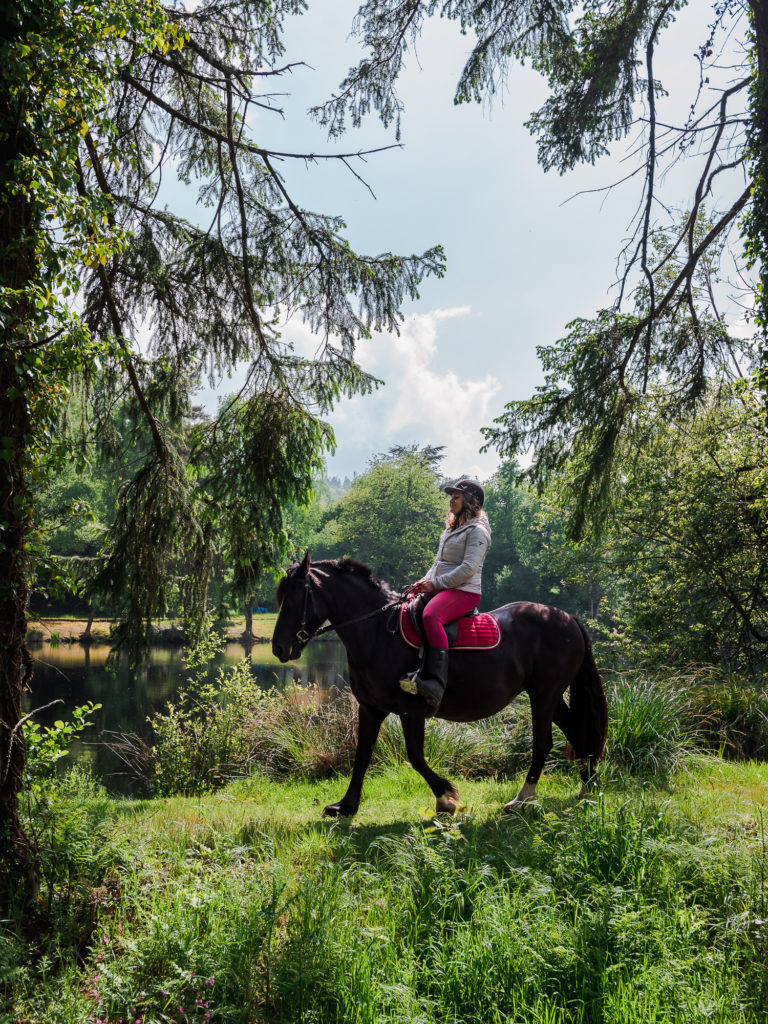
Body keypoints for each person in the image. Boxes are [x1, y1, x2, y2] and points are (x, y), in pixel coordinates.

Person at [403, 478, 491, 715]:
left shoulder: (478, 531)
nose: (451, 500)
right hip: (444, 587)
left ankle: (435, 684)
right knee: (409, 607)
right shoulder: (452, 528)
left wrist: (436, 585)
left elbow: (468, 569)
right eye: (451, 496)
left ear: (471, 502)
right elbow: (438, 562)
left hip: (464, 591)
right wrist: (423, 582)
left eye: (456, 497)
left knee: (431, 616)